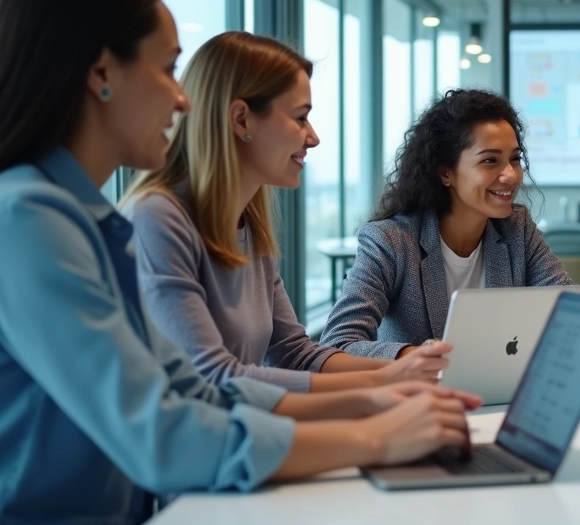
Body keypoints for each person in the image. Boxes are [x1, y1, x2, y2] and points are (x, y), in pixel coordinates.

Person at [0, 0, 478, 525]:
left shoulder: (84, 220)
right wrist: (373, 437)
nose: (182, 101)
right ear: (101, 72)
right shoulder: (27, 221)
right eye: (166, 70)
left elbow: (194, 388)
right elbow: (161, 432)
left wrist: (374, 399)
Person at [122, 32, 444, 392]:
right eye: (300, 118)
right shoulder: (157, 219)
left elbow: (294, 353)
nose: (313, 137)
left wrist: (403, 370)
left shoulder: (248, 225)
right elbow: (214, 377)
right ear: (242, 120)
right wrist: (387, 386)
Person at [321, 89, 574, 359]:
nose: (511, 175)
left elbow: (569, 310)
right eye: (490, 161)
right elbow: (338, 343)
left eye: (515, 159)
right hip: (420, 396)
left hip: (500, 393)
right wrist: (416, 358)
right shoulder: (391, 240)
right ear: (445, 173)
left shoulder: (517, 229)